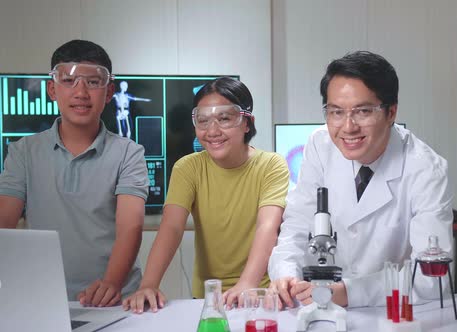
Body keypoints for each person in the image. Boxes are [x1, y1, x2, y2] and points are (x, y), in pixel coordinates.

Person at [268, 51, 453, 309]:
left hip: (391, 309)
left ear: (391, 113)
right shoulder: (320, 145)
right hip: (321, 304)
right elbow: (297, 225)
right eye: (336, 112)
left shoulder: (426, 169)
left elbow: (433, 278)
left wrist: (349, 292)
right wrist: (285, 273)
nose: (348, 126)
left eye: (363, 111)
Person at [0, 40, 149, 306]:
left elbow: (131, 226)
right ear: (52, 90)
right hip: (44, 297)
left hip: (116, 299)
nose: (80, 92)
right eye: (68, 81)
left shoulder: (129, 152)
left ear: (109, 91)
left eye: (93, 82)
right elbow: (3, 222)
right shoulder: (23, 151)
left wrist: (111, 284)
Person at [123, 77, 289, 313]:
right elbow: (171, 227)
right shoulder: (187, 167)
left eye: (224, 119)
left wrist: (247, 284)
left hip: (258, 294)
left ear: (246, 123)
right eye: (203, 121)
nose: (212, 131)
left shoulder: (271, 165)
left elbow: (267, 227)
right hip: (208, 297)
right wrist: (149, 284)